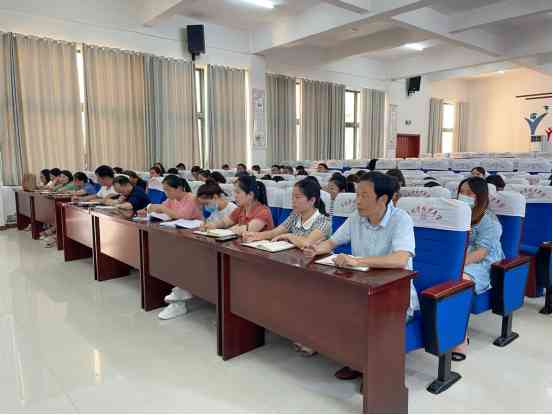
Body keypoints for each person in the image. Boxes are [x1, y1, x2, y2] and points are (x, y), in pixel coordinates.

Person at [303, 172, 419, 382]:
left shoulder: (401, 219)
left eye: (364, 195)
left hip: (394, 296)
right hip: (361, 289)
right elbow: (332, 242)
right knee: (321, 300)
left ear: (382, 199)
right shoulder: (356, 217)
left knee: (365, 318)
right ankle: (355, 359)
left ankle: (374, 372)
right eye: (357, 194)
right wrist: (316, 249)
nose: (357, 200)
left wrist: (357, 261)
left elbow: (400, 259)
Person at [243, 178, 331, 356]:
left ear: (312, 200)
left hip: (315, 272)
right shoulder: (294, 216)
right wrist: (255, 236)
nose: (293, 201)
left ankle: (309, 337)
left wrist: (289, 237)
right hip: (294, 265)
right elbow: (275, 232)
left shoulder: (323, 221)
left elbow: (307, 243)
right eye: (292, 197)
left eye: (298, 197)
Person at [453, 177, 504, 361]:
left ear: (480, 196)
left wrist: (456, 266)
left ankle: (460, 336)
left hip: (484, 262)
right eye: (461, 192)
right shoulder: (456, 214)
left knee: (460, 280)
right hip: (460, 258)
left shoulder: (489, 220)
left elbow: (481, 252)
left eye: (469, 193)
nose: (464, 196)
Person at [151, 176, 205, 320]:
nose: (165, 193)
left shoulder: (191, 198)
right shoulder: (172, 199)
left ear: (179, 188)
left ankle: (178, 298)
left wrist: (163, 208)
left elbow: (183, 216)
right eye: (164, 190)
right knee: (162, 254)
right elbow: (158, 207)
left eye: (168, 190)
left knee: (177, 259)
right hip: (179, 237)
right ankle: (178, 293)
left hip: (196, 240)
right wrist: (150, 208)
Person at [201, 175, 273, 236]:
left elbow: (249, 229)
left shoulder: (263, 211)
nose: (235, 196)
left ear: (250, 195)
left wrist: (233, 229)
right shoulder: (241, 209)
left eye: (237, 192)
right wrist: (213, 225)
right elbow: (225, 222)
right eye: (234, 192)